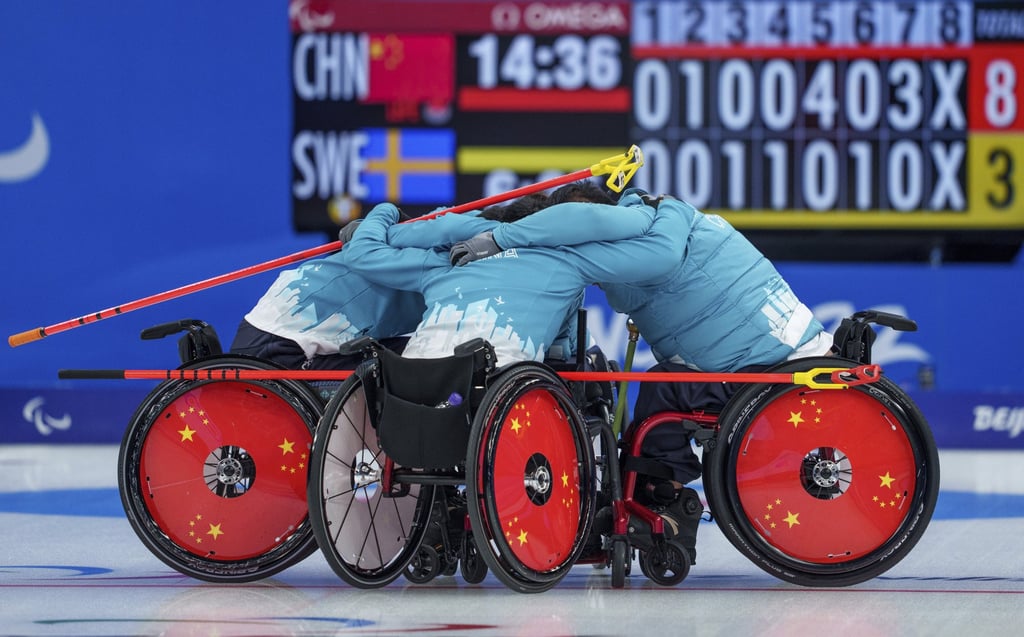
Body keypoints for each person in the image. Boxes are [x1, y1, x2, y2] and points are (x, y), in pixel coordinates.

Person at [455, 188, 832, 562]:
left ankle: (666, 505)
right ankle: (650, 495)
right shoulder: (657, 219)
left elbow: (654, 258)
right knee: (658, 389)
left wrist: (499, 239)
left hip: (768, 367)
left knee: (662, 395)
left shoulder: (649, 237)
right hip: (781, 352)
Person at [342, 189, 688, 367]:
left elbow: (365, 254)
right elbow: (659, 257)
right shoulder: (566, 259)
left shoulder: (447, 259)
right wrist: (662, 208)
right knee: (588, 365)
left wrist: (383, 217)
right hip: (496, 389)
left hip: (414, 382)